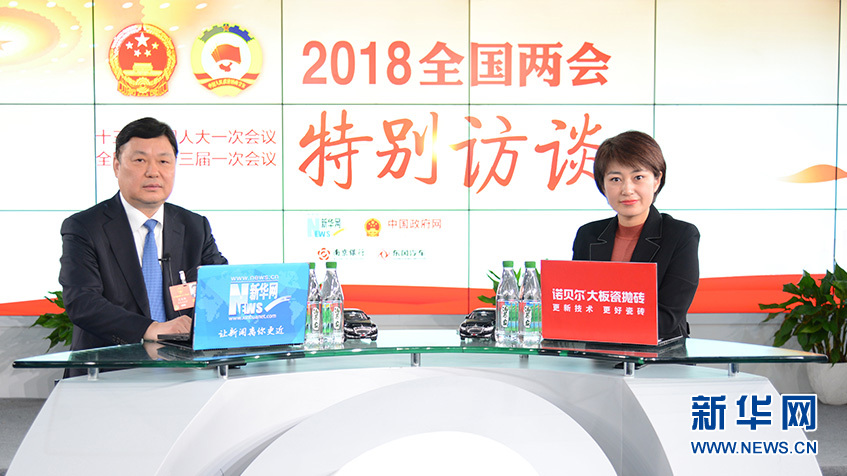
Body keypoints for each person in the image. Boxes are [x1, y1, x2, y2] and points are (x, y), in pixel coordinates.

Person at [59, 117, 227, 365]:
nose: (153, 171)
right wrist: (151, 328)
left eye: (163, 161)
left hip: (184, 370)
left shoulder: (194, 226)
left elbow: (221, 288)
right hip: (109, 371)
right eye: (140, 160)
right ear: (116, 165)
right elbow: (82, 303)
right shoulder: (85, 227)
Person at [572, 131, 699, 339]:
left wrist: (604, 326)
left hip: (660, 354)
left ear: (657, 180)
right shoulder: (588, 235)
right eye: (615, 179)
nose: (627, 189)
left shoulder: (680, 235)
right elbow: (578, 304)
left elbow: (668, 317)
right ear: (603, 185)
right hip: (599, 353)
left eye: (638, 177)